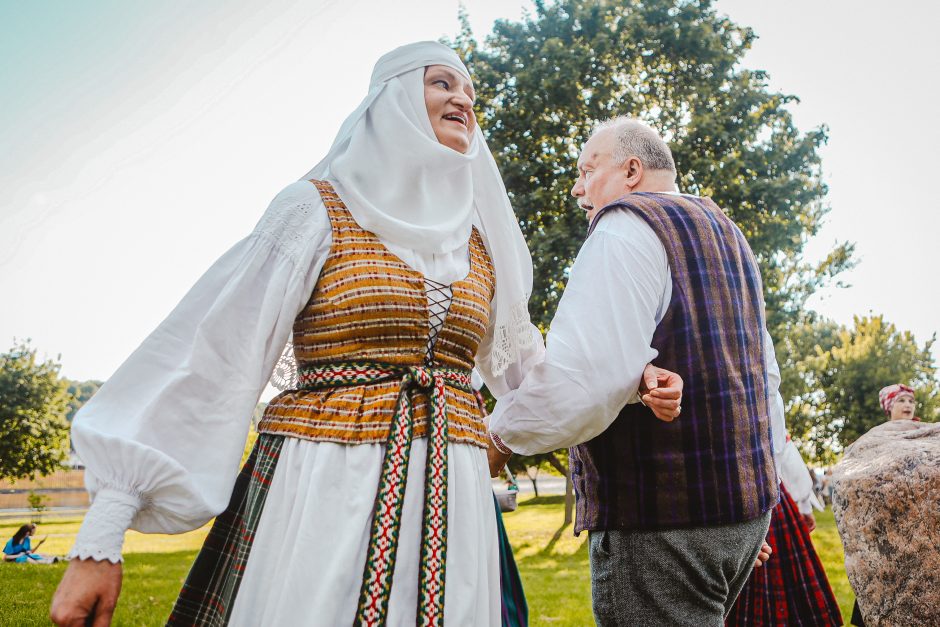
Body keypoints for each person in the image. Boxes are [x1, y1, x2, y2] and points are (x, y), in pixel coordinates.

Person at [50, 44, 679, 627]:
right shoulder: (314, 208)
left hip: (454, 497)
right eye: (442, 82)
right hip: (326, 482)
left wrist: (629, 381)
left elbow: (530, 376)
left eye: (470, 91)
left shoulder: (482, 248)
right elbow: (213, 354)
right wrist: (105, 529)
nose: (463, 98)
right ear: (393, 102)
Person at [487, 117, 779, 626]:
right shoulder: (728, 232)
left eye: (586, 169)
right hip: (743, 518)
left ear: (631, 170)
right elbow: (764, 375)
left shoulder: (624, 228)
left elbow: (584, 379)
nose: (578, 187)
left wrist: (499, 439)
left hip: (663, 520)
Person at [725, 432, 842, 626]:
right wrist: (804, 506)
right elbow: (784, 450)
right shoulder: (765, 403)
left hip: (745, 494)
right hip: (767, 493)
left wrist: (805, 504)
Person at [847, 382, 921, 626]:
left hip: (919, 523)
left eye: (911, 400)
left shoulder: (924, 436)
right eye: (901, 401)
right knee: (883, 584)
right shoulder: (876, 439)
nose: (908, 405)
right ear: (889, 407)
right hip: (885, 524)